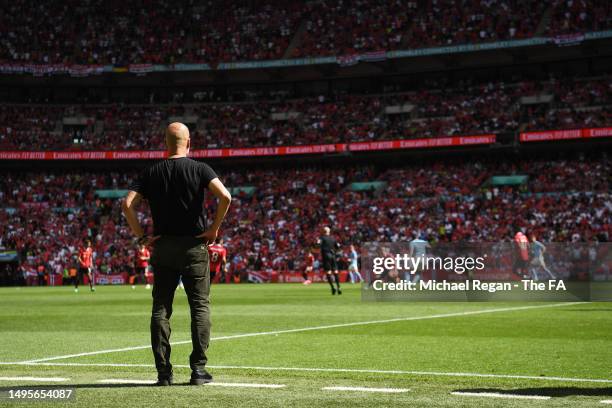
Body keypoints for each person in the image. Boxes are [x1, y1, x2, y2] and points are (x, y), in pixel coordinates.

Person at [122, 122, 231, 386]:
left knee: (161, 308)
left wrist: (142, 237)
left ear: (166, 144)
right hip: (194, 246)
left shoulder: (151, 172)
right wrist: (213, 230)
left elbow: (127, 204)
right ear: (189, 142)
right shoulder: (200, 168)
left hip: (164, 247)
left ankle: (163, 372)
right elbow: (225, 197)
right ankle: (198, 370)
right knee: (200, 306)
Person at [318, 227, 341, 295]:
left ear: (323, 231)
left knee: (328, 272)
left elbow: (318, 244)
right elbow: (338, 247)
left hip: (326, 256)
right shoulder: (333, 238)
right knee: (335, 271)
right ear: (329, 231)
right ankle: (338, 287)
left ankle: (332, 287)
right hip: (333, 255)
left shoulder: (322, 238)